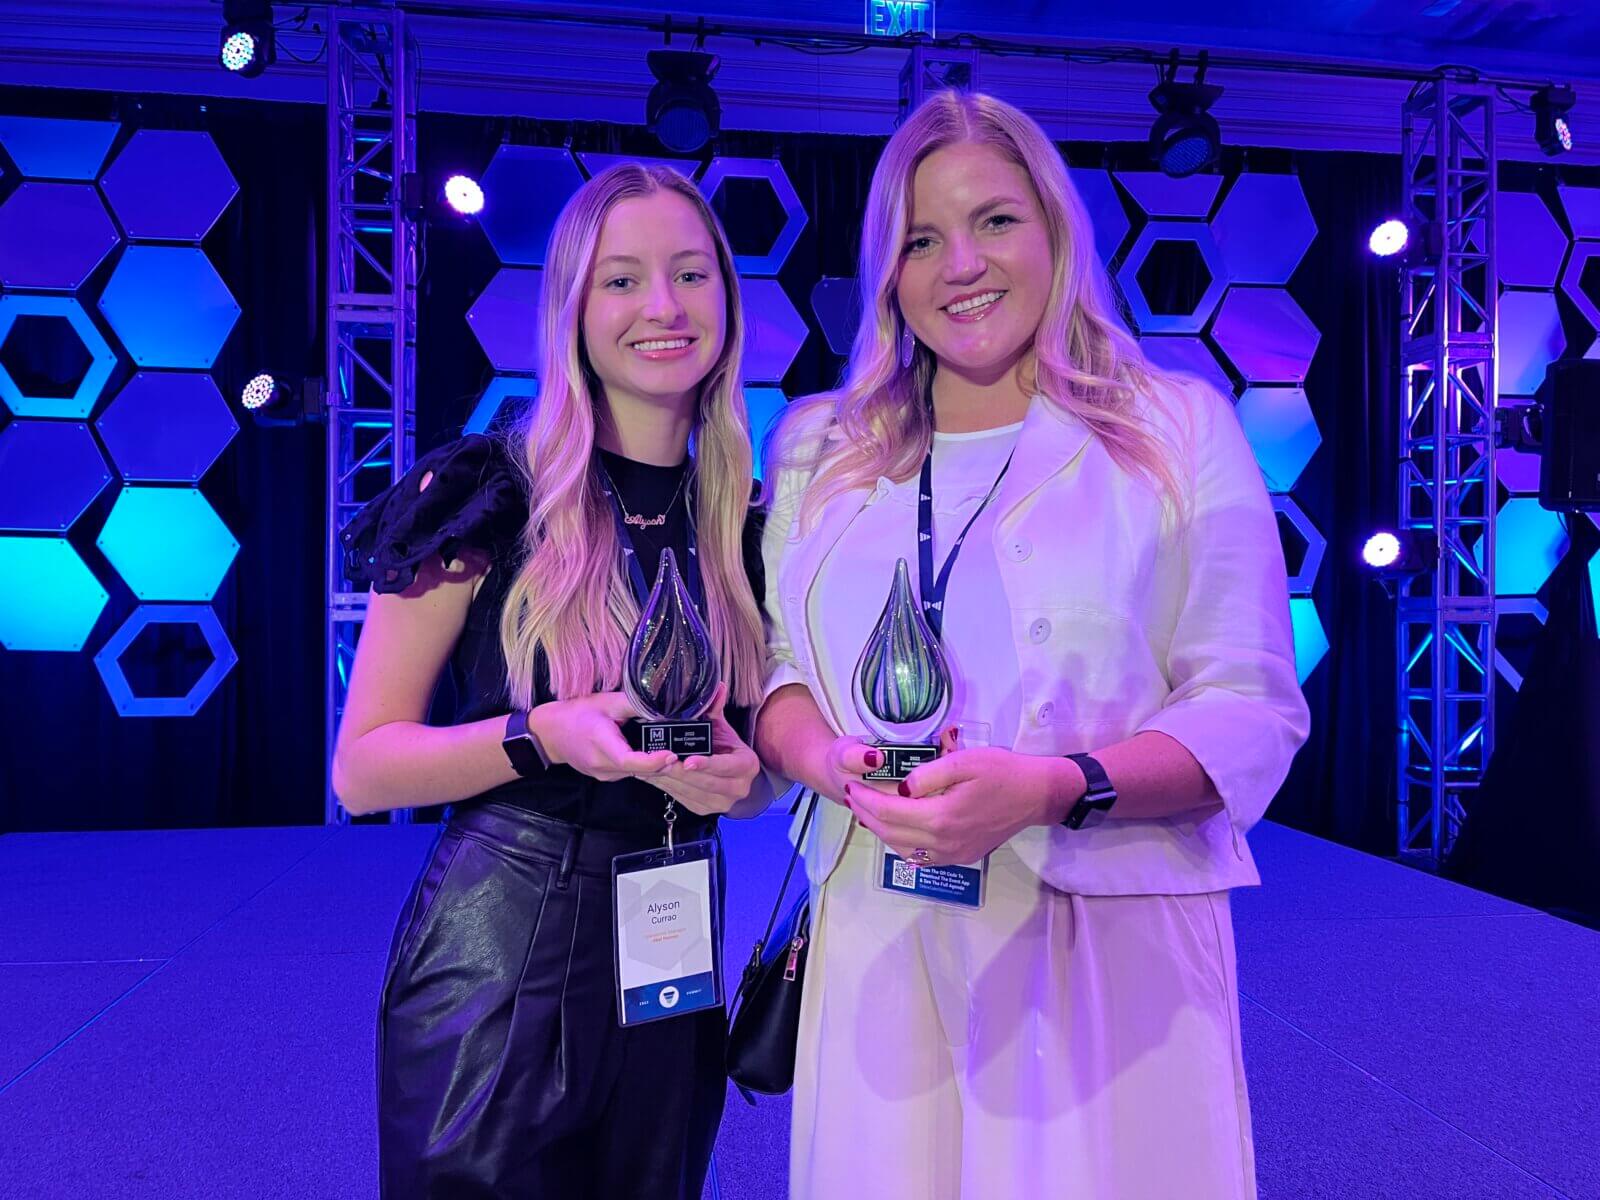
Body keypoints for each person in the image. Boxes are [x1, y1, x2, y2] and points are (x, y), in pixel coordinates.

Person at [753, 91, 1311, 1199]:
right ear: (888, 275)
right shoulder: (821, 444)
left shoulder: (1173, 426)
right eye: (920, 239)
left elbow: (1248, 704)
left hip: (1103, 940)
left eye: (995, 221)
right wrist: (829, 763)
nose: (960, 263)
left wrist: (1052, 787)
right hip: (875, 918)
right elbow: (776, 669)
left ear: (1056, 231)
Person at [333, 162, 770, 1199]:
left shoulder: (745, 527)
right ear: (572, 307)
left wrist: (746, 783)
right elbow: (363, 770)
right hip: (504, 946)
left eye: (689, 275)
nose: (661, 307)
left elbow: (753, 772)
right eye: (621, 280)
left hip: (674, 943)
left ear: (726, 299)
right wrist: (542, 737)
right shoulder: (484, 495)